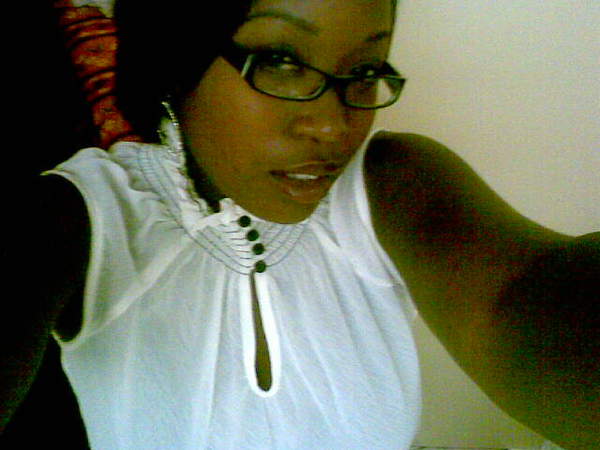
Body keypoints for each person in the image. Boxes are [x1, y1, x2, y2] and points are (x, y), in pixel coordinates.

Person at [1, 0, 598, 448]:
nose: (333, 126)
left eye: (366, 68)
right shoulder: (79, 218)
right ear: (179, 54)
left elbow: (525, 299)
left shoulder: (392, 186)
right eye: (280, 62)